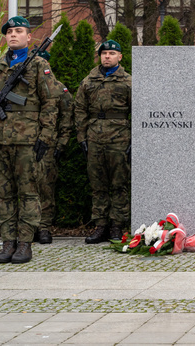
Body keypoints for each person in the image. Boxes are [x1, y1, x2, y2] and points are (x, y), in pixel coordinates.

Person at [0, 16, 58, 263]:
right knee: (5, 193)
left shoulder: (38, 65)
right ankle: (7, 242)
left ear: (29, 37)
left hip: (27, 140)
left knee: (29, 193)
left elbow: (51, 103)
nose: (13, 35)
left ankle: (24, 244)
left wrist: (46, 136)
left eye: (18, 31)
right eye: (9, 31)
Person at [73, 40, 132, 244]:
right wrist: (82, 137)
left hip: (119, 138)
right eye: (104, 53)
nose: (107, 56)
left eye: (111, 53)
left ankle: (117, 225)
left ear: (120, 57)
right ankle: (101, 225)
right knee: (98, 185)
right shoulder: (89, 81)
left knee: (119, 184)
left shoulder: (127, 82)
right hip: (94, 138)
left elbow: (138, 111)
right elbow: (79, 110)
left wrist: (133, 139)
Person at [34, 51, 73, 245]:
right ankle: (27, 226)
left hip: (47, 144)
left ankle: (44, 228)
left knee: (45, 187)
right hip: (24, 140)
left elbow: (66, 120)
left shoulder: (59, 89)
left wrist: (62, 143)